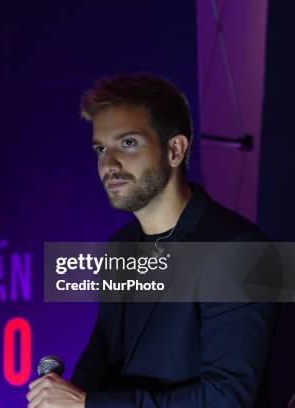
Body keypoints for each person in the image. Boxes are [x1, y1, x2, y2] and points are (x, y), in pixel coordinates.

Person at [26, 74, 282, 407]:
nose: (109, 163)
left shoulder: (242, 250)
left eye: (128, 143)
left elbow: (228, 398)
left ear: (175, 150)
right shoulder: (121, 247)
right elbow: (101, 358)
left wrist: (88, 404)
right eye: (101, 148)